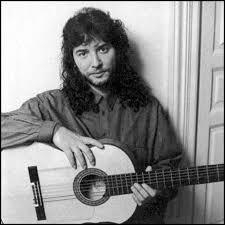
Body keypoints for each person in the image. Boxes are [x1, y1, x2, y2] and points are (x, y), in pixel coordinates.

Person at [1, 7, 182, 224]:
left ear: (118, 50)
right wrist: (55, 132)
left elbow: (170, 170)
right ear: (73, 60)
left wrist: (156, 191)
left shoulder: (149, 109)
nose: (95, 62)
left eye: (103, 49)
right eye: (83, 53)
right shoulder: (52, 104)